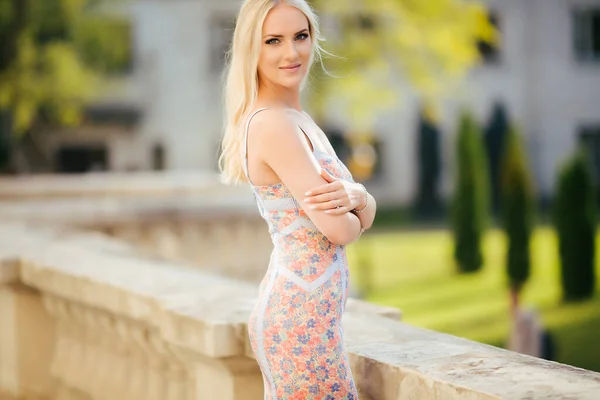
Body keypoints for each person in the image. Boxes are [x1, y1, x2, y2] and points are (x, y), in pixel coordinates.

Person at [219, 0, 377, 398]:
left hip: (311, 317)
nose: (291, 53)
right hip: (299, 320)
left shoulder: (295, 118)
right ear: (252, 48)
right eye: (273, 40)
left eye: (300, 36)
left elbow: (350, 211)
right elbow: (338, 229)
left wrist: (356, 196)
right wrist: (362, 203)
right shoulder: (273, 124)